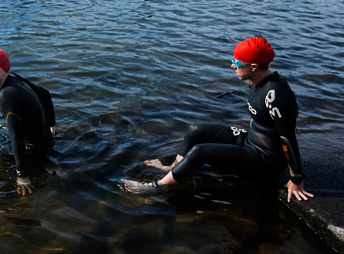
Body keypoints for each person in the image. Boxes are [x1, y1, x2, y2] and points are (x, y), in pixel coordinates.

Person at [122, 37, 313, 203]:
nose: (232, 66)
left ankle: (158, 186)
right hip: (251, 142)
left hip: (265, 161)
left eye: (237, 63)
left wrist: (296, 178)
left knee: (201, 151)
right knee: (196, 130)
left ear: (253, 67)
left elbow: (287, 138)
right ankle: (174, 168)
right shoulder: (255, 81)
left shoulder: (277, 94)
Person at [0, 49, 56, 196]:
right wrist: (52, 126)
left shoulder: (6, 95)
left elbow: (17, 136)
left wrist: (22, 174)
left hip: (36, 152)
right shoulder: (16, 79)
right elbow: (45, 94)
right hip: (48, 143)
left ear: (4, 68)